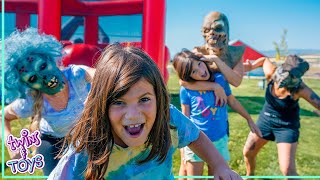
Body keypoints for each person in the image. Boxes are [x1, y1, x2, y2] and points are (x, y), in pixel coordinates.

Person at [48, 44, 243, 180]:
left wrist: (219, 165)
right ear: (102, 106)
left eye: (144, 100)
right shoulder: (88, 144)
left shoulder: (167, 118)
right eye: (118, 102)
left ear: (159, 97)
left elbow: (195, 137)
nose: (133, 115)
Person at [0, 28, 95, 175]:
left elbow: (104, 77)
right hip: (52, 142)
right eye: (32, 78)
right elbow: (3, 116)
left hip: (86, 139)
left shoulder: (77, 75)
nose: (43, 77)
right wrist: (11, 144)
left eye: (42, 66)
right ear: (27, 86)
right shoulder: (30, 100)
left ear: (51, 59)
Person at [172, 49, 261, 177]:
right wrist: (183, 147)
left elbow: (232, 101)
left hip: (219, 139)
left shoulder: (219, 80)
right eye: (194, 71)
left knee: (217, 177)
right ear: (188, 76)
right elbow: (185, 117)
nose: (201, 71)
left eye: (200, 64)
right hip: (195, 141)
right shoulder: (186, 90)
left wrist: (249, 119)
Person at [242, 55, 320, 178]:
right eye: (286, 72)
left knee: (288, 171)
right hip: (265, 120)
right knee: (248, 152)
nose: (286, 77)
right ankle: (250, 175)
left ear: (298, 77)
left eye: (292, 75)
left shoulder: (300, 89)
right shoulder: (272, 73)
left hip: (286, 126)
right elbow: (264, 60)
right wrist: (252, 66)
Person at [193, 11, 245, 87]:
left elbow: (236, 82)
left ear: (226, 30)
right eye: (206, 30)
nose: (211, 32)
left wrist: (216, 59)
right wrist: (214, 87)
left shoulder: (235, 54)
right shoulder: (198, 52)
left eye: (218, 28)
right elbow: (184, 81)